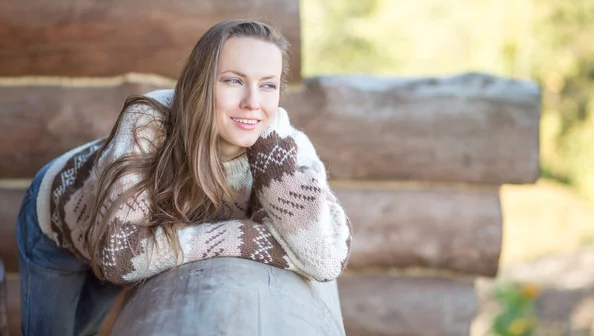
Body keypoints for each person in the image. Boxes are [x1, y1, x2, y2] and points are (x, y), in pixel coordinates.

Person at [15, 19, 353, 335]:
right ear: (201, 82)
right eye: (234, 80)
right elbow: (119, 257)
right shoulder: (150, 122)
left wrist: (271, 165)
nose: (253, 102)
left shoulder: (284, 145)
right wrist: (245, 238)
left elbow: (325, 259)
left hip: (126, 237)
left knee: (88, 328)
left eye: (268, 85)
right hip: (57, 223)